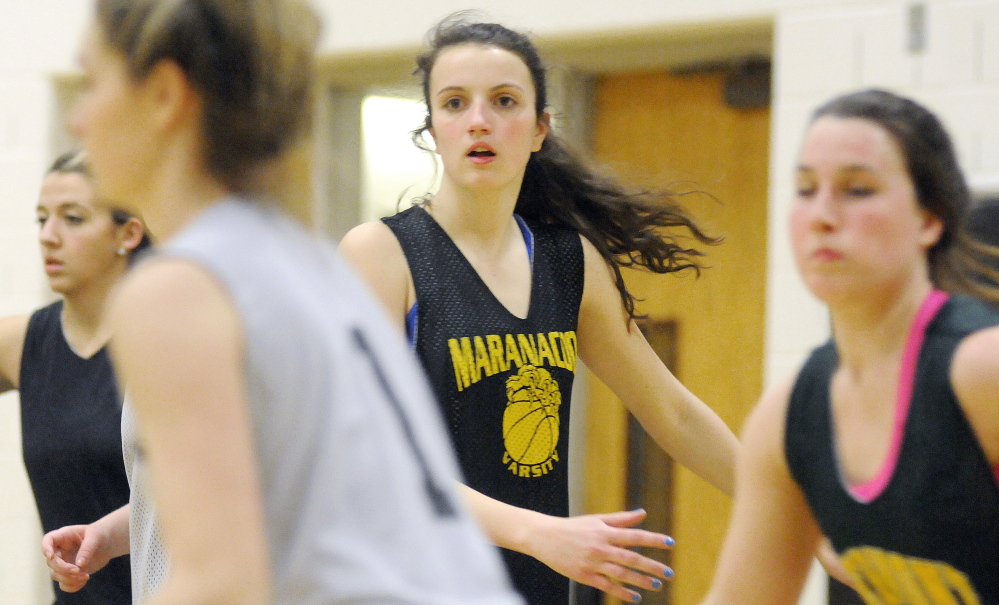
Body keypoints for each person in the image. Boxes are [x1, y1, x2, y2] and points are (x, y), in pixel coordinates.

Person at [44, 2, 526, 605]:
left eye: (92, 83)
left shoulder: (179, 289)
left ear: (165, 95)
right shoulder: (305, 262)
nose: (78, 121)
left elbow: (221, 586)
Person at [339, 16, 739, 605]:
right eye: (455, 103)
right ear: (431, 130)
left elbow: (673, 414)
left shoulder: (567, 260)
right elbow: (372, 463)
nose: (479, 120)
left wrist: (792, 506)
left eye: (504, 101)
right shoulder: (381, 254)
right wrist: (539, 533)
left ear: (539, 129)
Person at [700, 89, 999, 605]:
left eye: (857, 190)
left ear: (929, 219)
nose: (822, 215)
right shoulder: (789, 413)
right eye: (805, 188)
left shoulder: (980, 368)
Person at [0, 150, 146, 605]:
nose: (48, 237)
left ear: (128, 233)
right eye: (42, 219)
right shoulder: (21, 340)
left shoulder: (164, 344)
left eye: (73, 219)